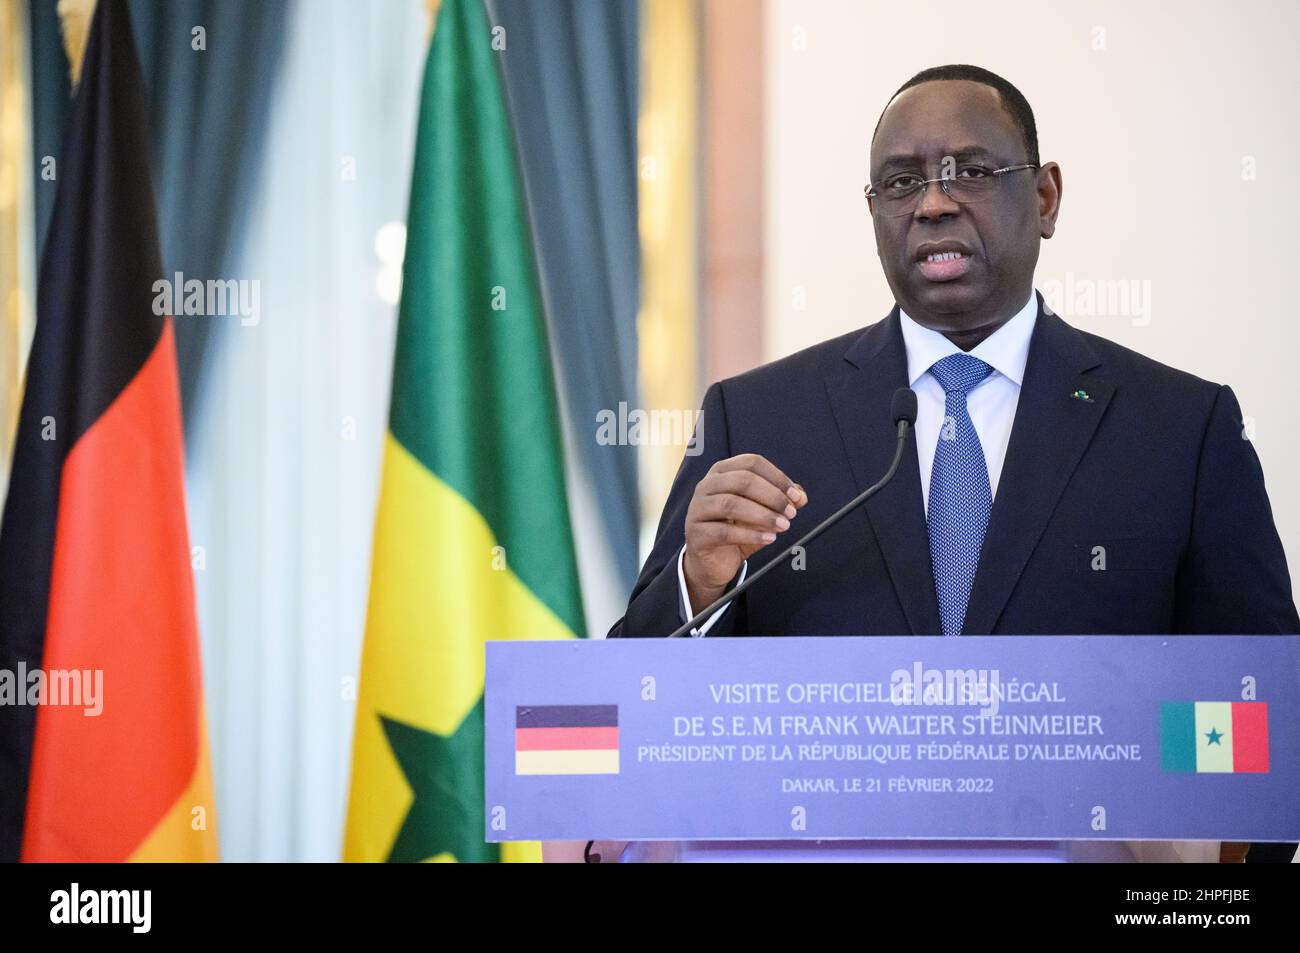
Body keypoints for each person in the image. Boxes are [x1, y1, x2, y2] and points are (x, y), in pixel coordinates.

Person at [606, 64, 1299, 862]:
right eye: (900, 182)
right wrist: (703, 578)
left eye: (970, 171)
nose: (932, 202)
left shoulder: (1180, 428)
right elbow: (637, 703)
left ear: (1044, 198)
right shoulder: (759, 418)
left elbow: (1264, 710)